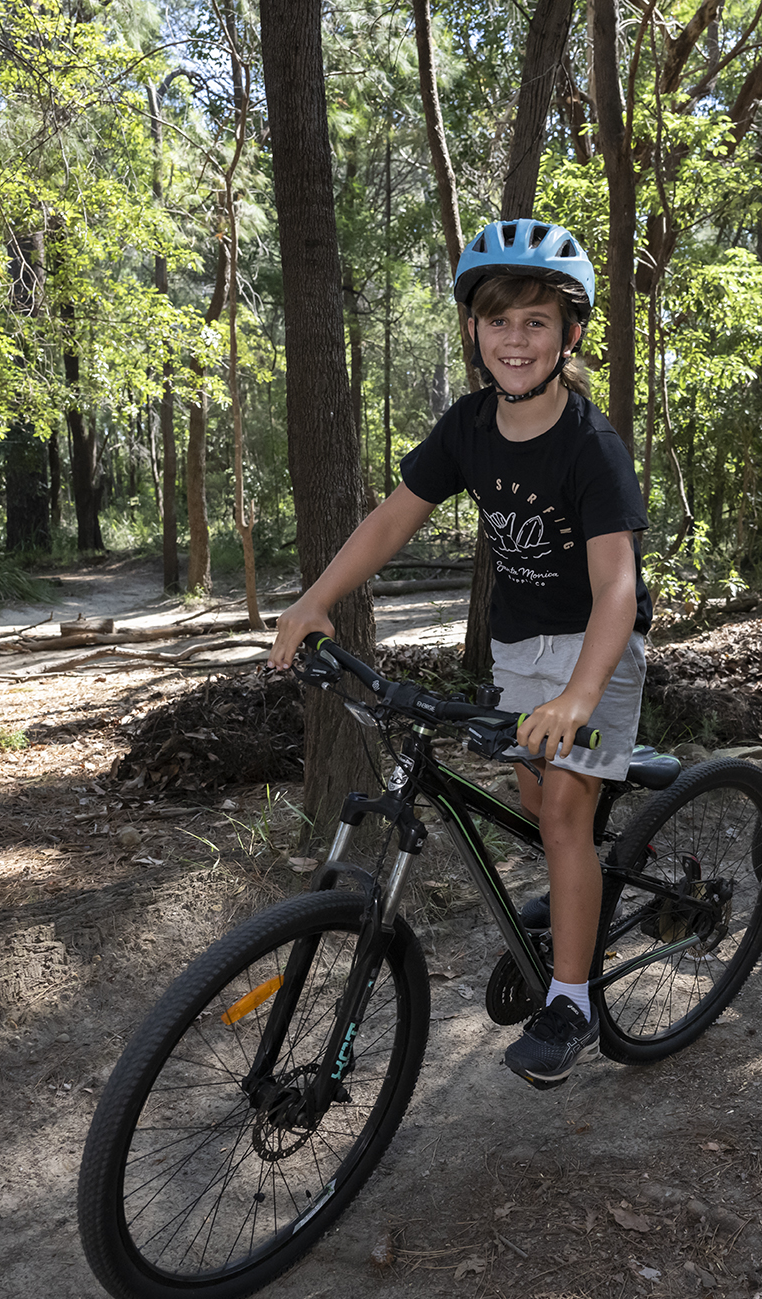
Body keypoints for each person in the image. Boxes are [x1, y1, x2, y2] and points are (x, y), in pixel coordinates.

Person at [266, 218, 652, 1090]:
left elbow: (617, 591)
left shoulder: (591, 446)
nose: (516, 339)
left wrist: (581, 698)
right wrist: (315, 599)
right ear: (474, 332)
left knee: (560, 815)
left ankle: (572, 1001)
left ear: (571, 334)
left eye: (537, 322)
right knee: (535, 796)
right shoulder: (470, 425)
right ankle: (577, 881)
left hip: (598, 646)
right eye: (499, 320)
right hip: (519, 642)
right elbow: (392, 517)